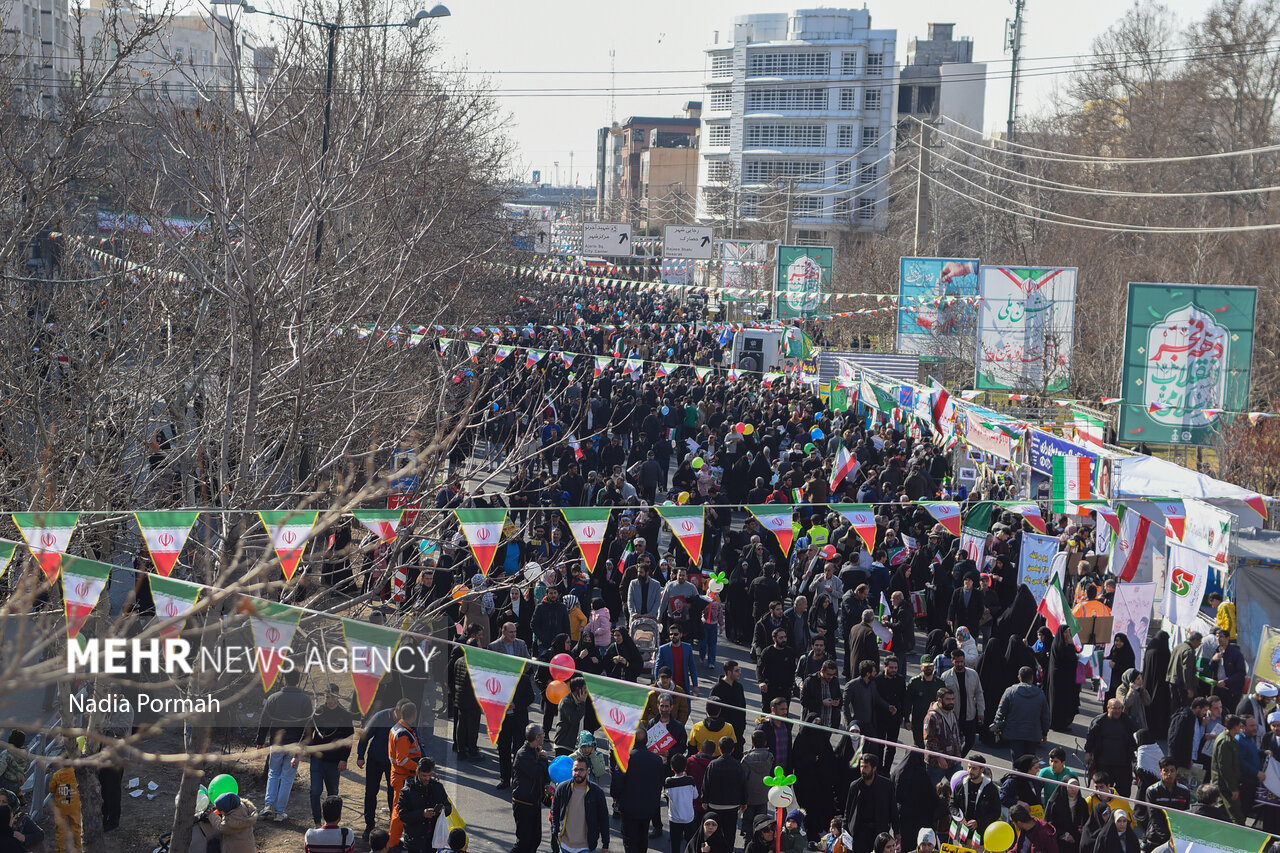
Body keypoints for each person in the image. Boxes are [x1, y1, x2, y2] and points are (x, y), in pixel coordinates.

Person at [256, 667, 313, 821]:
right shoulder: (305, 700)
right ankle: (280, 812)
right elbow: (309, 724)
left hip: (276, 743)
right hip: (295, 744)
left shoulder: (273, 698)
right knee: (287, 778)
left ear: (285, 680)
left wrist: (260, 741)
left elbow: (264, 721)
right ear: (298, 680)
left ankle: (268, 805)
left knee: (273, 773)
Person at [303, 683, 355, 828]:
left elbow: (348, 739)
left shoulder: (344, 715)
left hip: (334, 761)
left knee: (333, 794)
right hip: (317, 759)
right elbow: (308, 731)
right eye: (327, 697)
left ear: (338, 696)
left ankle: (332, 822)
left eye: (332, 697)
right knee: (315, 791)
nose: (330, 700)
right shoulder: (319, 712)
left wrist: (344, 759)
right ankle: (317, 822)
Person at [492, 623, 534, 789]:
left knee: (518, 749)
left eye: (515, 632)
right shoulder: (497, 681)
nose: (513, 635)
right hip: (503, 718)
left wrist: (516, 705)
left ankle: (517, 777)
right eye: (510, 632)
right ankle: (504, 778)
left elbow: (530, 697)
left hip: (519, 718)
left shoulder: (522, 679)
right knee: (503, 748)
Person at [614, 729, 665, 853]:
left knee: (630, 840)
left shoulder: (625, 758)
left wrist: (616, 798)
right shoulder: (657, 760)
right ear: (647, 740)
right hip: (647, 807)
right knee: (643, 838)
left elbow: (617, 783)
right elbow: (660, 783)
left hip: (628, 807)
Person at [794, 712, 842, 843]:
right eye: (815, 724)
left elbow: (830, 760)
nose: (817, 727)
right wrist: (810, 759)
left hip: (822, 785)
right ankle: (811, 837)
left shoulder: (823, 740)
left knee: (824, 808)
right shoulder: (801, 740)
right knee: (809, 812)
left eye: (819, 724)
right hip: (807, 786)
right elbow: (797, 761)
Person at [550, 757, 611, 853]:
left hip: (586, 847)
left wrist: (605, 844)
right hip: (565, 846)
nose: (578, 773)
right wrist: (556, 831)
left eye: (581, 770)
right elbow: (555, 811)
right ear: (571, 771)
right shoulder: (562, 788)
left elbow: (604, 819)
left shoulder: (596, 792)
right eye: (575, 770)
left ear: (588, 771)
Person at [994, 666, 1050, 761]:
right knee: (1029, 764)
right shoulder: (1040, 694)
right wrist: (1044, 732)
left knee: (1017, 763)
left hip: (1014, 733)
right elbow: (1045, 716)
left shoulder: (1010, 691)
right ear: (1032, 678)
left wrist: (996, 726)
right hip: (1033, 734)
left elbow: (1001, 711)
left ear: (1019, 677)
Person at [844, 753, 898, 853]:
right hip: (859, 833)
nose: (862, 770)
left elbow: (893, 810)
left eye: (866, 767)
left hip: (878, 832)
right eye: (861, 766)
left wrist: (897, 831)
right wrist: (844, 831)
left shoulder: (886, 786)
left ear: (874, 768)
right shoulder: (855, 786)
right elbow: (848, 811)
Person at [1084, 699, 1138, 798]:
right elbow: (1091, 737)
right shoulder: (1099, 721)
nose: (1117, 711)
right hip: (1104, 764)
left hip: (1123, 764)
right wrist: (1088, 752)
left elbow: (1135, 738)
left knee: (1124, 793)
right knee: (1103, 793)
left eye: (1119, 708)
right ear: (1108, 708)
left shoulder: (1127, 721)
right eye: (1114, 708)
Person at [511, 724, 552, 853]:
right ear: (537, 737)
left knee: (535, 839)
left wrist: (546, 784)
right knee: (523, 842)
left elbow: (544, 774)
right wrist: (544, 759)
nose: (544, 737)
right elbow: (537, 772)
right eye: (542, 735)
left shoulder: (536, 750)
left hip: (534, 802)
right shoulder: (523, 754)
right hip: (523, 803)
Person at [388, 702, 423, 849]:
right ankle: (393, 843)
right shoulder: (403, 734)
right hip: (402, 777)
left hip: (400, 775)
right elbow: (402, 759)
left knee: (399, 810)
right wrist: (420, 769)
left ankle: (394, 841)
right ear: (414, 715)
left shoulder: (398, 728)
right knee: (399, 811)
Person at [1136, 757, 1190, 853]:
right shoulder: (1152, 791)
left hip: (1177, 839)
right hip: (1155, 838)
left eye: (1172, 771)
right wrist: (1168, 839)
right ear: (1160, 771)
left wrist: (1178, 838)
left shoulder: (1184, 791)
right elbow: (1154, 817)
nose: (1169, 774)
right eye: (1166, 771)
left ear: (1176, 772)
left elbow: (1185, 816)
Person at [399, 758, 450, 853]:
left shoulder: (438, 787)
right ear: (417, 772)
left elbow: (448, 807)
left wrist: (443, 809)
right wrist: (422, 814)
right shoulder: (406, 791)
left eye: (429, 775)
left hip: (433, 840)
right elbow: (403, 815)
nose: (426, 778)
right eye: (424, 775)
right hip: (415, 841)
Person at [942, 648, 983, 756]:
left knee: (970, 741)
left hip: (969, 714)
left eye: (962, 661)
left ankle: (959, 757)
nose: (960, 664)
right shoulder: (946, 677)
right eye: (957, 662)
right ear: (952, 661)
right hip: (953, 715)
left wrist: (981, 712)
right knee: (953, 741)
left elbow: (979, 693)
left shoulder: (973, 674)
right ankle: (955, 762)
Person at [703, 736, 748, 832]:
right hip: (732, 805)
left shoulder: (713, 764)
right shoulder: (738, 765)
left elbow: (706, 783)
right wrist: (743, 802)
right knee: (729, 832)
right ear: (733, 749)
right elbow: (743, 785)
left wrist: (704, 800)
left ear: (719, 749)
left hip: (714, 803)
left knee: (714, 831)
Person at [950, 756, 1000, 837]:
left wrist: (978, 822)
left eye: (974, 768)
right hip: (962, 833)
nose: (970, 771)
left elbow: (996, 813)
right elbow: (952, 804)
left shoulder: (991, 789)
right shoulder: (961, 785)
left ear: (982, 770)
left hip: (980, 835)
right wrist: (959, 817)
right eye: (969, 767)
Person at [1168, 697, 1211, 786]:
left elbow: (1196, 738)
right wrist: (1188, 759)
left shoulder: (1194, 718)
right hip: (1183, 759)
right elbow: (1183, 741)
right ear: (1198, 707)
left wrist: (1203, 726)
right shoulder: (1186, 718)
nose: (1205, 713)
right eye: (1204, 710)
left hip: (1191, 758)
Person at [741, 729, 775, 841]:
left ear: (753, 743)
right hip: (763, 796)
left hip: (749, 797)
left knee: (748, 823)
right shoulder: (769, 757)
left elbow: (743, 778)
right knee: (761, 823)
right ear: (765, 742)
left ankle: (748, 843)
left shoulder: (747, 759)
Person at [1211, 714, 1245, 823]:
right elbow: (1225, 768)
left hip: (1223, 784)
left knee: (1222, 812)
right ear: (1235, 727)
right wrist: (1233, 788)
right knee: (1236, 815)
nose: (1241, 728)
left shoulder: (1228, 739)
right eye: (1240, 726)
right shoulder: (1226, 742)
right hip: (1225, 785)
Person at [1047, 626, 1082, 733]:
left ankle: (1060, 723)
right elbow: (1068, 661)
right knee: (1059, 702)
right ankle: (1058, 723)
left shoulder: (1063, 645)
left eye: (1069, 632)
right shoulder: (1060, 645)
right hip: (1060, 679)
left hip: (1063, 678)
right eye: (1065, 632)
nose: (1067, 634)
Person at [924, 687, 963, 776]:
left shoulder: (953, 713)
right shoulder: (931, 717)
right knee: (931, 789)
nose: (951, 702)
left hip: (954, 761)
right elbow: (929, 741)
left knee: (957, 787)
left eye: (952, 699)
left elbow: (956, 734)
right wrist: (939, 757)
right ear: (939, 700)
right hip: (936, 764)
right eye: (948, 699)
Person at [1207, 630, 1247, 715]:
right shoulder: (1217, 651)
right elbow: (1210, 668)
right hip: (1218, 688)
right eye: (1217, 636)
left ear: (1227, 638)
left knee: (1230, 713)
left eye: (1221, 636)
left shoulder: (1235, 653)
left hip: (1231, 690)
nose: (1218, 639)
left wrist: (1226, 681)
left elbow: (1241, 673)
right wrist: (1213, 660)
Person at [665, 754, 699, 853]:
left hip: (674, 818)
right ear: (685, 767)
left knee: (675, 843)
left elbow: (666, 794)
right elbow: (695, 796)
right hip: (689, 817)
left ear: (671, 768)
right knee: (690, 843)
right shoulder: (690, 780)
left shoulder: (668, 781)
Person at [758, 628, 798, 711]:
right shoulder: (767, 652)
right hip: (770, 689)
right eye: (781, 638)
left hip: (785, 689)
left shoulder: (790, 652)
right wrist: (761, 682)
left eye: (785, 637)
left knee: (783, 713)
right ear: (774, 639)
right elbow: (759, 668)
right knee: (767, 713)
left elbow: (794, 670)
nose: (784, 640)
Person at [655, 625, 701, 697]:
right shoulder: (663, 649)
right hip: (668, 687)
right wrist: (657, 683)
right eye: (671, 634)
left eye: (676, 634)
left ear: (681, 635)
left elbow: (692, 667)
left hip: (683, 687)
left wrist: (695, 685)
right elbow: (657, 667)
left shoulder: (687, 648)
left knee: (684, 707)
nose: (673, 636)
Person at [710, 661, 748, 747]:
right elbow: (711, 711)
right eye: (737, 671)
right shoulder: (717, 689)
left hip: (737, 732)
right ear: (729, 672)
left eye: (739, 670)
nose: (740, 673)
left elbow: (743, 708)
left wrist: (742, 725)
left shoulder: (739, 687)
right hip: (722, 732)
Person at [1045, 778, 1089, 853]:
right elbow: (1048, 823)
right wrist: (1063, 835)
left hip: (1077, 842)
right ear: (1065, 787)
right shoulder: (1055, 803)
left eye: (1076, 786)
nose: (1074, 789)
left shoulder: (1082, 802)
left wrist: (1084, 830)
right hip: (1059, 843)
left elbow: (1086, 820)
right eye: (1070, 786)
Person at [905, 656, 941, 748]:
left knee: (933, 747)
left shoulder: (940, 683)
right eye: (926, 666)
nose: (928, 668)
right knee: (919, 747)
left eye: (930, 666)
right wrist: (907, 719)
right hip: (918, 721)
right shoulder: (914, 682)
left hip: (935, 721)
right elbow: (908, 702)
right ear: (921, 667)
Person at [801, 659, 843, 729]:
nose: (831, 677)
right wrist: (822, 702)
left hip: (828, 724)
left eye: (833, 675)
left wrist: (837, 702)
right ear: (822, 671)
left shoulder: (834, 681)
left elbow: (839, 698)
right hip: (813, 724)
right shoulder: (810, 681)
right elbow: (804, 701)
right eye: (828, 674)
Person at [1167, 632, 1203, 709]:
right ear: (1195, 640)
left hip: (1172, 680)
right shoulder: (1189, 651)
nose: (1199, 644)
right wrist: (1189, 688)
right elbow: (1186, 671)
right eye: (1199, 642)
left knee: (1174, 705)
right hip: (1182, 684)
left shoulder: (1178, 647)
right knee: (1183, 707)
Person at [845, 610, 880, 681]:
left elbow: (849, 645)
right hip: (865, 669)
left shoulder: (854, 628)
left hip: (853, 663)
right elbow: (873, 654)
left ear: (862, 617)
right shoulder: (869, 633)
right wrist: (876, 670)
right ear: (873, 619)